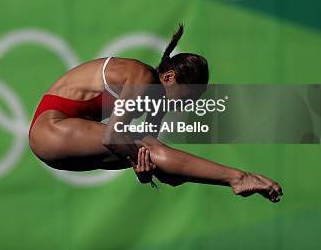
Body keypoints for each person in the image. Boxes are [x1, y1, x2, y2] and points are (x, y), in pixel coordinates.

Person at [28, 24, 283, 202]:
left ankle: (235, 179)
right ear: (169, 77)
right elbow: (115, 136)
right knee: (150, 150)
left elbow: (157, 161)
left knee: (167, 170)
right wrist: (139, 161)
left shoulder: (157, 101)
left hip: (63, 146)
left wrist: (144, 171)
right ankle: (237, 178)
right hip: (51, 131)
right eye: (187, 97)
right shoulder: (144, 77)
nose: (185, 106)